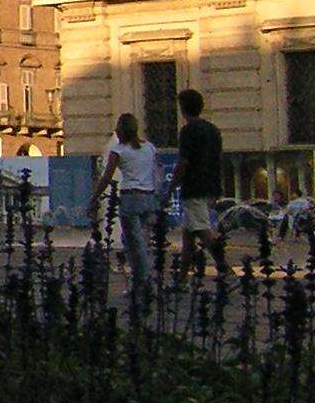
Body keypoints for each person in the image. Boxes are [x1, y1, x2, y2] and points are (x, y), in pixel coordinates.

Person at [89, 113, 164, 294]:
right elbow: (157, 172)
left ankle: (144, 283)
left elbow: (107, 176)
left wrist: (94, 198)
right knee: (140, 242)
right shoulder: (150, 148)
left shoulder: (119, 150)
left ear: (121, 130)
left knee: (134, 245)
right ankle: (140, 282)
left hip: (130, 199)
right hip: (148, 199)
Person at [164, 89, 227, 279]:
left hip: (193, 187)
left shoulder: (188, 131)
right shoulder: (213, 129)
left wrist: (170, 189)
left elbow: (183, 163)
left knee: (200, 230)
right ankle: (183, 277)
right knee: (189, 234)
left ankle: (225, 267)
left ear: (182, 108)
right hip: (211, 185)